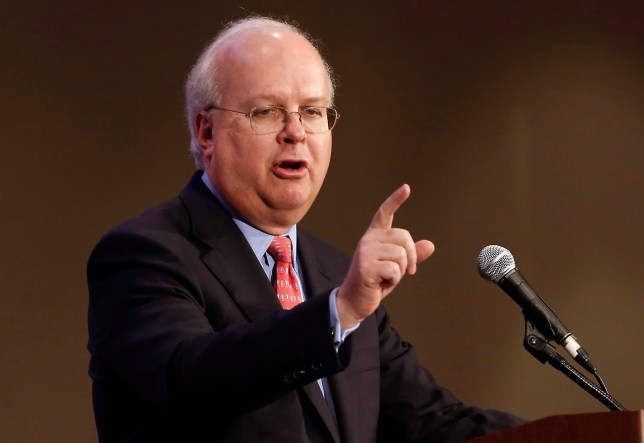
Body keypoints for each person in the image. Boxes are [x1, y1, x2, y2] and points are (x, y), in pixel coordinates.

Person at [87, 16, 525, 443]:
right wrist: (340, 312)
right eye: (267, 112)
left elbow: (428, 422)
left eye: (312, 111)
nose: (295, 132)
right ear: (207, 132)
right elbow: (191, 379)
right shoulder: (143, 256)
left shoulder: (335, 274)